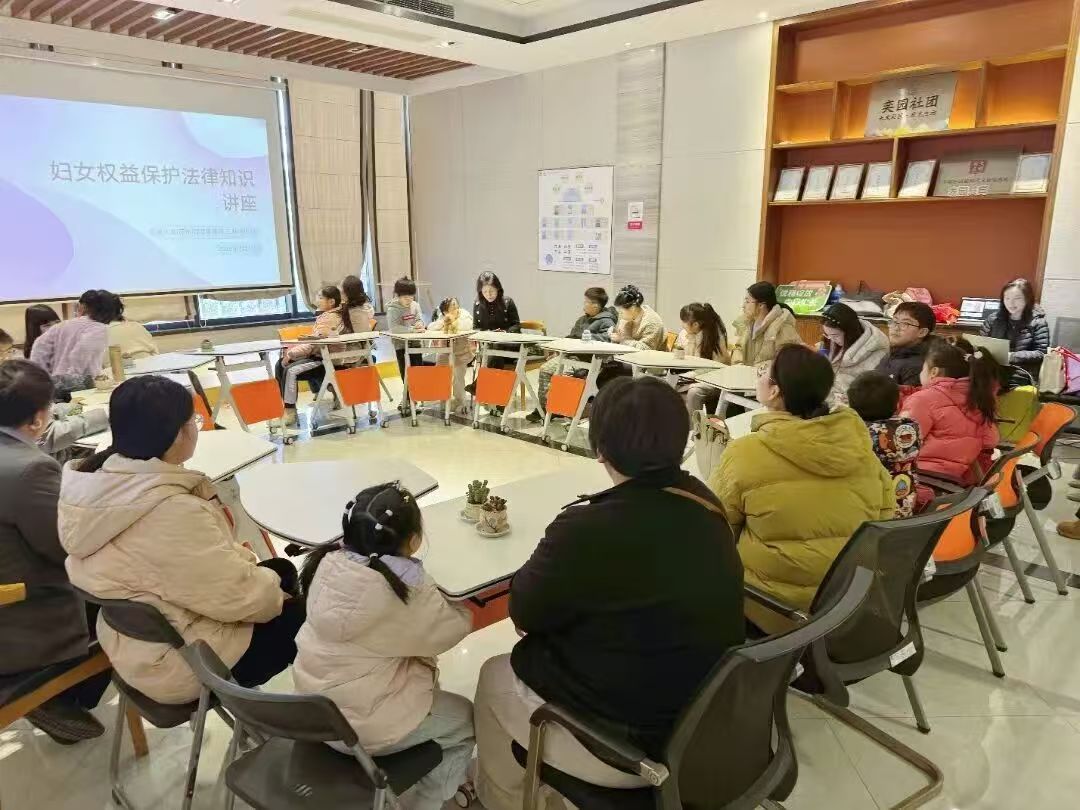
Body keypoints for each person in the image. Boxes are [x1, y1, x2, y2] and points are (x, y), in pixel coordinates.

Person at [475, 377, 744, 810]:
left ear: (600, 449)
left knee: (494, 676)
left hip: (630, 748)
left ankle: (496, 800)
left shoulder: (585, 528)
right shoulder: (706, 506)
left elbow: (524, 613)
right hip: (708, 722)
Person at [60, 375, 304, 705]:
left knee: (277, 572)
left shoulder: (93, 486)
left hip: (134, 648)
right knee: (310, 612)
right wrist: (275, 592)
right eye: (194, 421)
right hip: (185, 665)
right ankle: (332, 712)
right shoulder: (169, 510)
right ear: (178, 433)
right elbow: (238, 597)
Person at [293, 483, 474, 810]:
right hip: (362, 727)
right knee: (466, 722)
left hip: (314, 710)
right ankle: (429, 801)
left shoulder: (326, 564)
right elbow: (452, 628)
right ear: (415, 541)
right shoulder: (400, 592)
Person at [709, 344, 895, 627]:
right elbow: (884, 518)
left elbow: (715, 534)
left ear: (774, 391)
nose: (759, 374)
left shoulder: (744, 453)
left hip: (770, 610)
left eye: (764, 371)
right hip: (846, 605)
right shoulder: (860, 448)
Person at [0, 359, 110, 743]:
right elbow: (67, 547)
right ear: (37, 420)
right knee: (134, 601)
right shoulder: (28, 469)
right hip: (25, 617)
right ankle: (56, 693)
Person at [902, 339, 1000, 509]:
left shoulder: (923, 399)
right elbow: (990, 440)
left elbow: (902, 446)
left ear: (933, 372)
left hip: (920, 481)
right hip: (953, 482)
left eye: (923, 368)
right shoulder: (978, 397)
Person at [526, 287, 616, 423]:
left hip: (586, 361)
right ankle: (545, 407)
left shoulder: (607, 321)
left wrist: (589, 337)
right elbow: (571, 338)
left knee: (561, 376)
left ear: (596, 305)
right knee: (545, 369)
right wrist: (559, 352)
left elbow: (608, 340)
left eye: (586, 302)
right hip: (569, 356)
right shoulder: (582, 320)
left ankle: (556, 407)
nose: (584, 304)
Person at [848, 371, 921, 519]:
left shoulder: (857, 434)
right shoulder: (911, 429)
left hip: (868, 516)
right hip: (904, 512)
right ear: (897, 404)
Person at [275, 286, 344, 426]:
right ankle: (287, 408)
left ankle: (290, 413)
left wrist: (292, 354)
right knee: (279, 364)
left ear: (331, 302)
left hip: (325, 360)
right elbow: (314, 341)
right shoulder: (327, 316)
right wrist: (293, 353)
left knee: (290, 370)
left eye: (320, 297)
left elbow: (314, 344)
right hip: (319, 355)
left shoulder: (330, 318)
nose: (317, 300)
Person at [30, 290, 112, 396]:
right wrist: (72, 376)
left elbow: (39, 347)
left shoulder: (62, 325)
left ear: (82, 307)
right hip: (82, 384)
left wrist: (43, 379)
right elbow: (82, 350)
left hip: (56, 383)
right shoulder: (99, 328)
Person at [981, 278, 1050, 388]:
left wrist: (1012, 356)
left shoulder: (1038, 322)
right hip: (994, 365)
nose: (1011, 303)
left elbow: (1041, 353)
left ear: (1027, 299)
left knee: (1003, 385)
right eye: (1007, 298)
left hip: (1021, 369)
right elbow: (981, 343)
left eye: (1017, 298)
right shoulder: (993, 319)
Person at [820, 302, 890, 404]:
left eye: (835, 335)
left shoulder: (876, 348)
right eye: (827, 335)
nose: (831, 340)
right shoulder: (831, 343)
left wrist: (853, 397)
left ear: (849, 332)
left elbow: (873, 391)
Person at [676, 302, 730, 415]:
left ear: (695, 325)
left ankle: (694, 425)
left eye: (684, 322)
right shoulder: (686, 334)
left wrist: (690, 375)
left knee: (693, 392)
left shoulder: (714, 338)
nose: (682, 325)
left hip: (714, 380)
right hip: (694, 377)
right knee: (666, 384)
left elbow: (716, 367)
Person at [731, 281, 801, 366]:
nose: (743, 305)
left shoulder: (782, 327)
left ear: (761, 305)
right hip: (748, 374)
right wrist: (738, 363)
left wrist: (760, 369)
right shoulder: (748, 324)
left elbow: (788, 361)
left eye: (748, 301)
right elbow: (739, 347)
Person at [387, 277, 428, 414]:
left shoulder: (415, 305)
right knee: (406, 374)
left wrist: (420, 324)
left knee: (417, 372)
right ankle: (408, 400)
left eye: (411, 296)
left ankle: (412, 399)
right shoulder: (393, 308)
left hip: (416, 344)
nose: (409, 299)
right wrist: (412, 330)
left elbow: (420, 319)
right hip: (401, 346)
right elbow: (394, 328)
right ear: (398, 295)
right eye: (405, 297)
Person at [430, 297, 475, 414]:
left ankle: (461, 402)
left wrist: (453, 321)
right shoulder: (442, 317)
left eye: (456, 304)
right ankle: (444, 400)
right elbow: (431, 327)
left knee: (458, 378)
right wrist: (444, 321)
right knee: (442, 376)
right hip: (444, 353)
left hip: (461, 352)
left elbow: (467, 326)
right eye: (452, 305)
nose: (455, 307)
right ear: (445, 310)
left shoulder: (464, 315)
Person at [877, 301, 936, 388]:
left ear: (922, 332)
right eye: (894, 321)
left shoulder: (919, 366)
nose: (896, 328)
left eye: (905, 323)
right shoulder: (893, 352)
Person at [104, 293, 158, 361]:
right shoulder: (137, 326)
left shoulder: (101, 333)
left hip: (118, 367)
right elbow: (155, 352)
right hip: (151, 364)